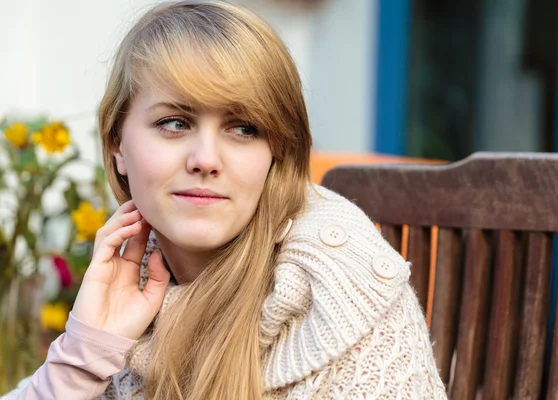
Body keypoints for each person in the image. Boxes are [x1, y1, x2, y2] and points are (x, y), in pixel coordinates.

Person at [2, 1, 446, 399]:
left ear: (278, 151)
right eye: (175, 123)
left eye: (244, 128)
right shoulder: (126, 283)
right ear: (118, 143)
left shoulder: (339, 294)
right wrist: (83, 356)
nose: (206, 160)